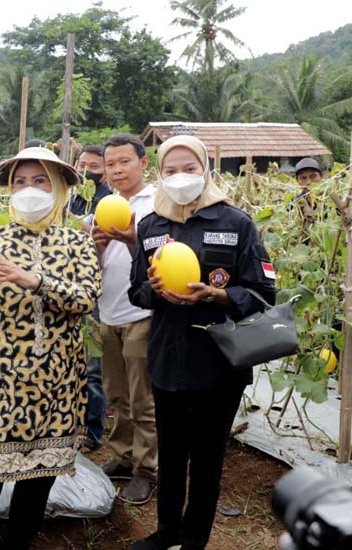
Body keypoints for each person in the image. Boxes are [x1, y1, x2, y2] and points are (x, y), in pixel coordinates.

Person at [0, 146, 100, 550]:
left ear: (60, 187)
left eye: (40, 180)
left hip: (56, 385)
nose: (29, 190)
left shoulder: (78, 244)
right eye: (21, 182)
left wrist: (34, 280)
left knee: (34, 488)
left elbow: (86, 299)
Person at [129, 135, 276, 550]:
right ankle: (166, 534)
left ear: (205, 170)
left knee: (207, 460)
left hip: (219, 364)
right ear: (159, 173)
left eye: (189, 168)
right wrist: (156, 288)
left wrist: (218, 295)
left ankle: (194, 540)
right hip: (167, 360)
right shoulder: (151, 224)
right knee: (172, 457)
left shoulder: (236, 223)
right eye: (171, 170)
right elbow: (136, 292)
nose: (180, 178)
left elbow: (265, 292)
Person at [93, 134, 159, 505]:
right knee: (116, 393)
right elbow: (99, 264)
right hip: (110, 310)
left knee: (142, 397)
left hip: (142, 313)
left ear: (143, 163)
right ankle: (123, 456)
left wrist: (135, 240)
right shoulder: (106, 203)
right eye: (110, 164)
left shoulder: (156, 205)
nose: (116, 170)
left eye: (124, 162)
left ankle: (145, 470)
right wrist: (98, 247)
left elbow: (164, 261)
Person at [68, 144, 111, 454]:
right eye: (82, 164)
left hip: (97, 292)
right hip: (67, 287)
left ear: (104, 170)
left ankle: (92, 434)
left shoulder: (109, 201)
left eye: (94, 166)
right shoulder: (71, 196)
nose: (87, 171)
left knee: (93, 366)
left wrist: (82, 227)